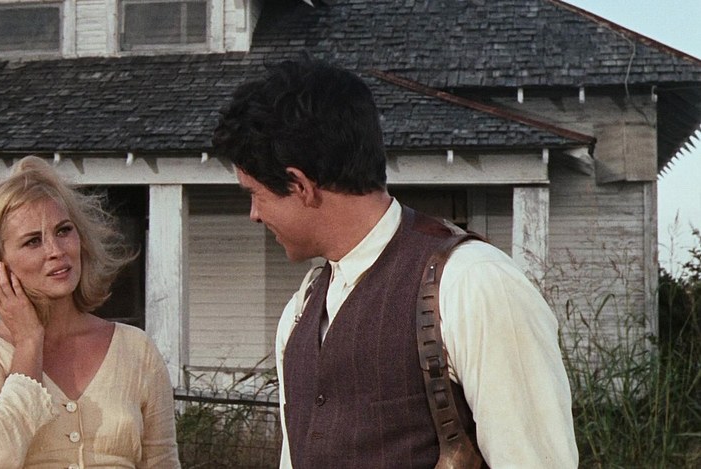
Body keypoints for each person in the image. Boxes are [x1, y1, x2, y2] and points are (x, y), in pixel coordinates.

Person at [212, 58, 578, 468]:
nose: (254, 215)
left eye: (255, 194)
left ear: (300, 186)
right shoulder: (300, 310)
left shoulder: (473, 283)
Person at [0, 156, 180, 469]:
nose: (56, 251)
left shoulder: (136, 349)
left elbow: (163, 462)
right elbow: (0, 456)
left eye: (63, 231)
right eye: (33, 241)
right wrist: (29, 341)